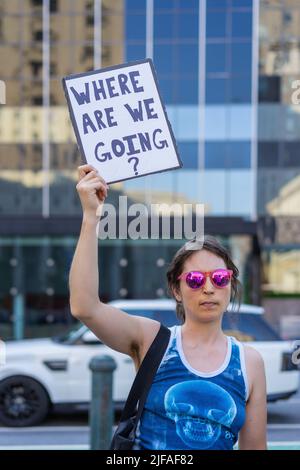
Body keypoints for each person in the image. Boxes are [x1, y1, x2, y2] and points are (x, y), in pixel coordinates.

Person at [69, 163, 267, 451]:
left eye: (220, 278)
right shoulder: (153, 340)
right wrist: (91, 216)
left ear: (231, 285)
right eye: (196, 279)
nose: (209, 288)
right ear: (176, 289)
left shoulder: (249, 363)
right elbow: (85, 307)